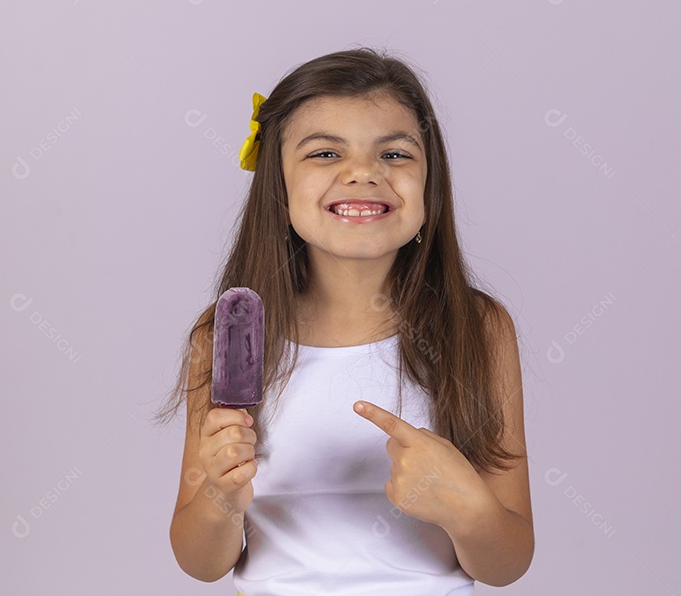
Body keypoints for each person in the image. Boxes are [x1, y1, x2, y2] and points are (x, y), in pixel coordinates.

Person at [154, 47, 533, 594]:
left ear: (431, 184)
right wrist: (218, 497)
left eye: (395, 154)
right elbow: (200, 562)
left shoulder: (477, 328)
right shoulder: (225, 336)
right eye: (326, 154)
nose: (363, 174)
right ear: (278, 191)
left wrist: (467, 508)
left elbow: (508, 564)